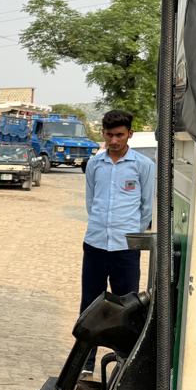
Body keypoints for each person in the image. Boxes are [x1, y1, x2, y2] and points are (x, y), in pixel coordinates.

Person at [81, 109, 155, 373]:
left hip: (125, 249)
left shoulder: (143, 165)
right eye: (109, 135)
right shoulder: (95, 164)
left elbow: (146, 207)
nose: (114, 140)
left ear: (129, 134)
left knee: (126, 307)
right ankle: (86, 363)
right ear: (103, 133)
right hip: (95, 244)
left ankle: (124, 364)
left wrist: (130, 232)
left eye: (119, 135)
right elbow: (91, 201)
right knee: (90, 304)